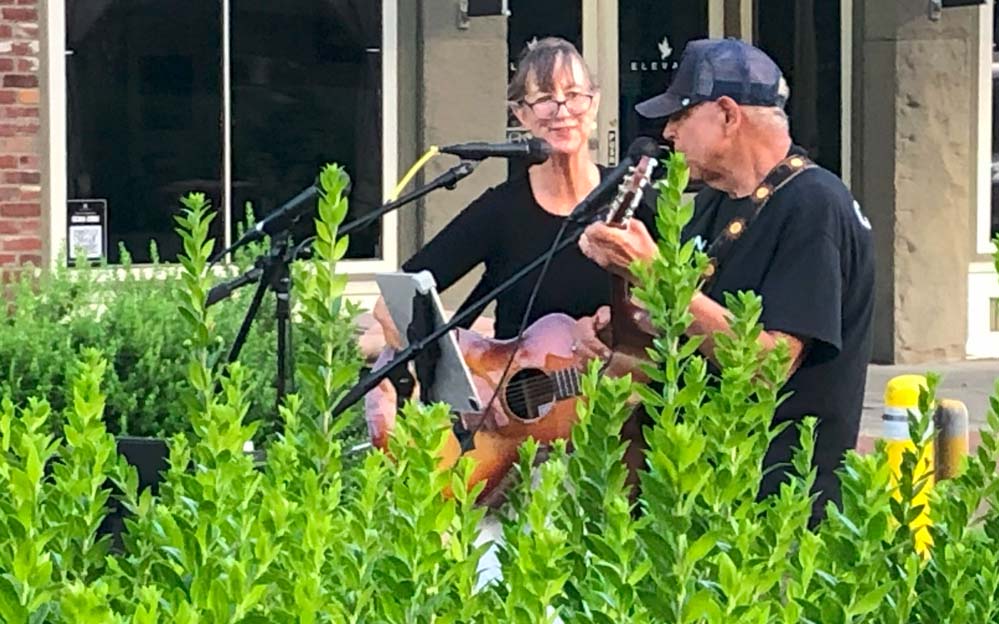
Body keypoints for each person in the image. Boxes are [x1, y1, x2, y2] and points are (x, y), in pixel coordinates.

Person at [574, 38, 875, 523]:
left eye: (681, 115)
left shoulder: (814, 204)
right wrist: (624, 330)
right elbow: (695, 325)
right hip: (702, 494)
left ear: (728, 114)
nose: (668, 132)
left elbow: (769, 365)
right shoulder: (717, 201)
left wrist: (655, 273)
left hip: (776, 512)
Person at [368, 36, 657, 426]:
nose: (561, 111)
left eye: (574, 95)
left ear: (594, 104)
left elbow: (678, 308)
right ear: (521, 114)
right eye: (545, 99)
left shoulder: (636, 205)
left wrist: (627, 324)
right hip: (513, 438)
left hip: (613, 428)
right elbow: (391, 307)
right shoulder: (501, 211)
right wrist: (468, 380)